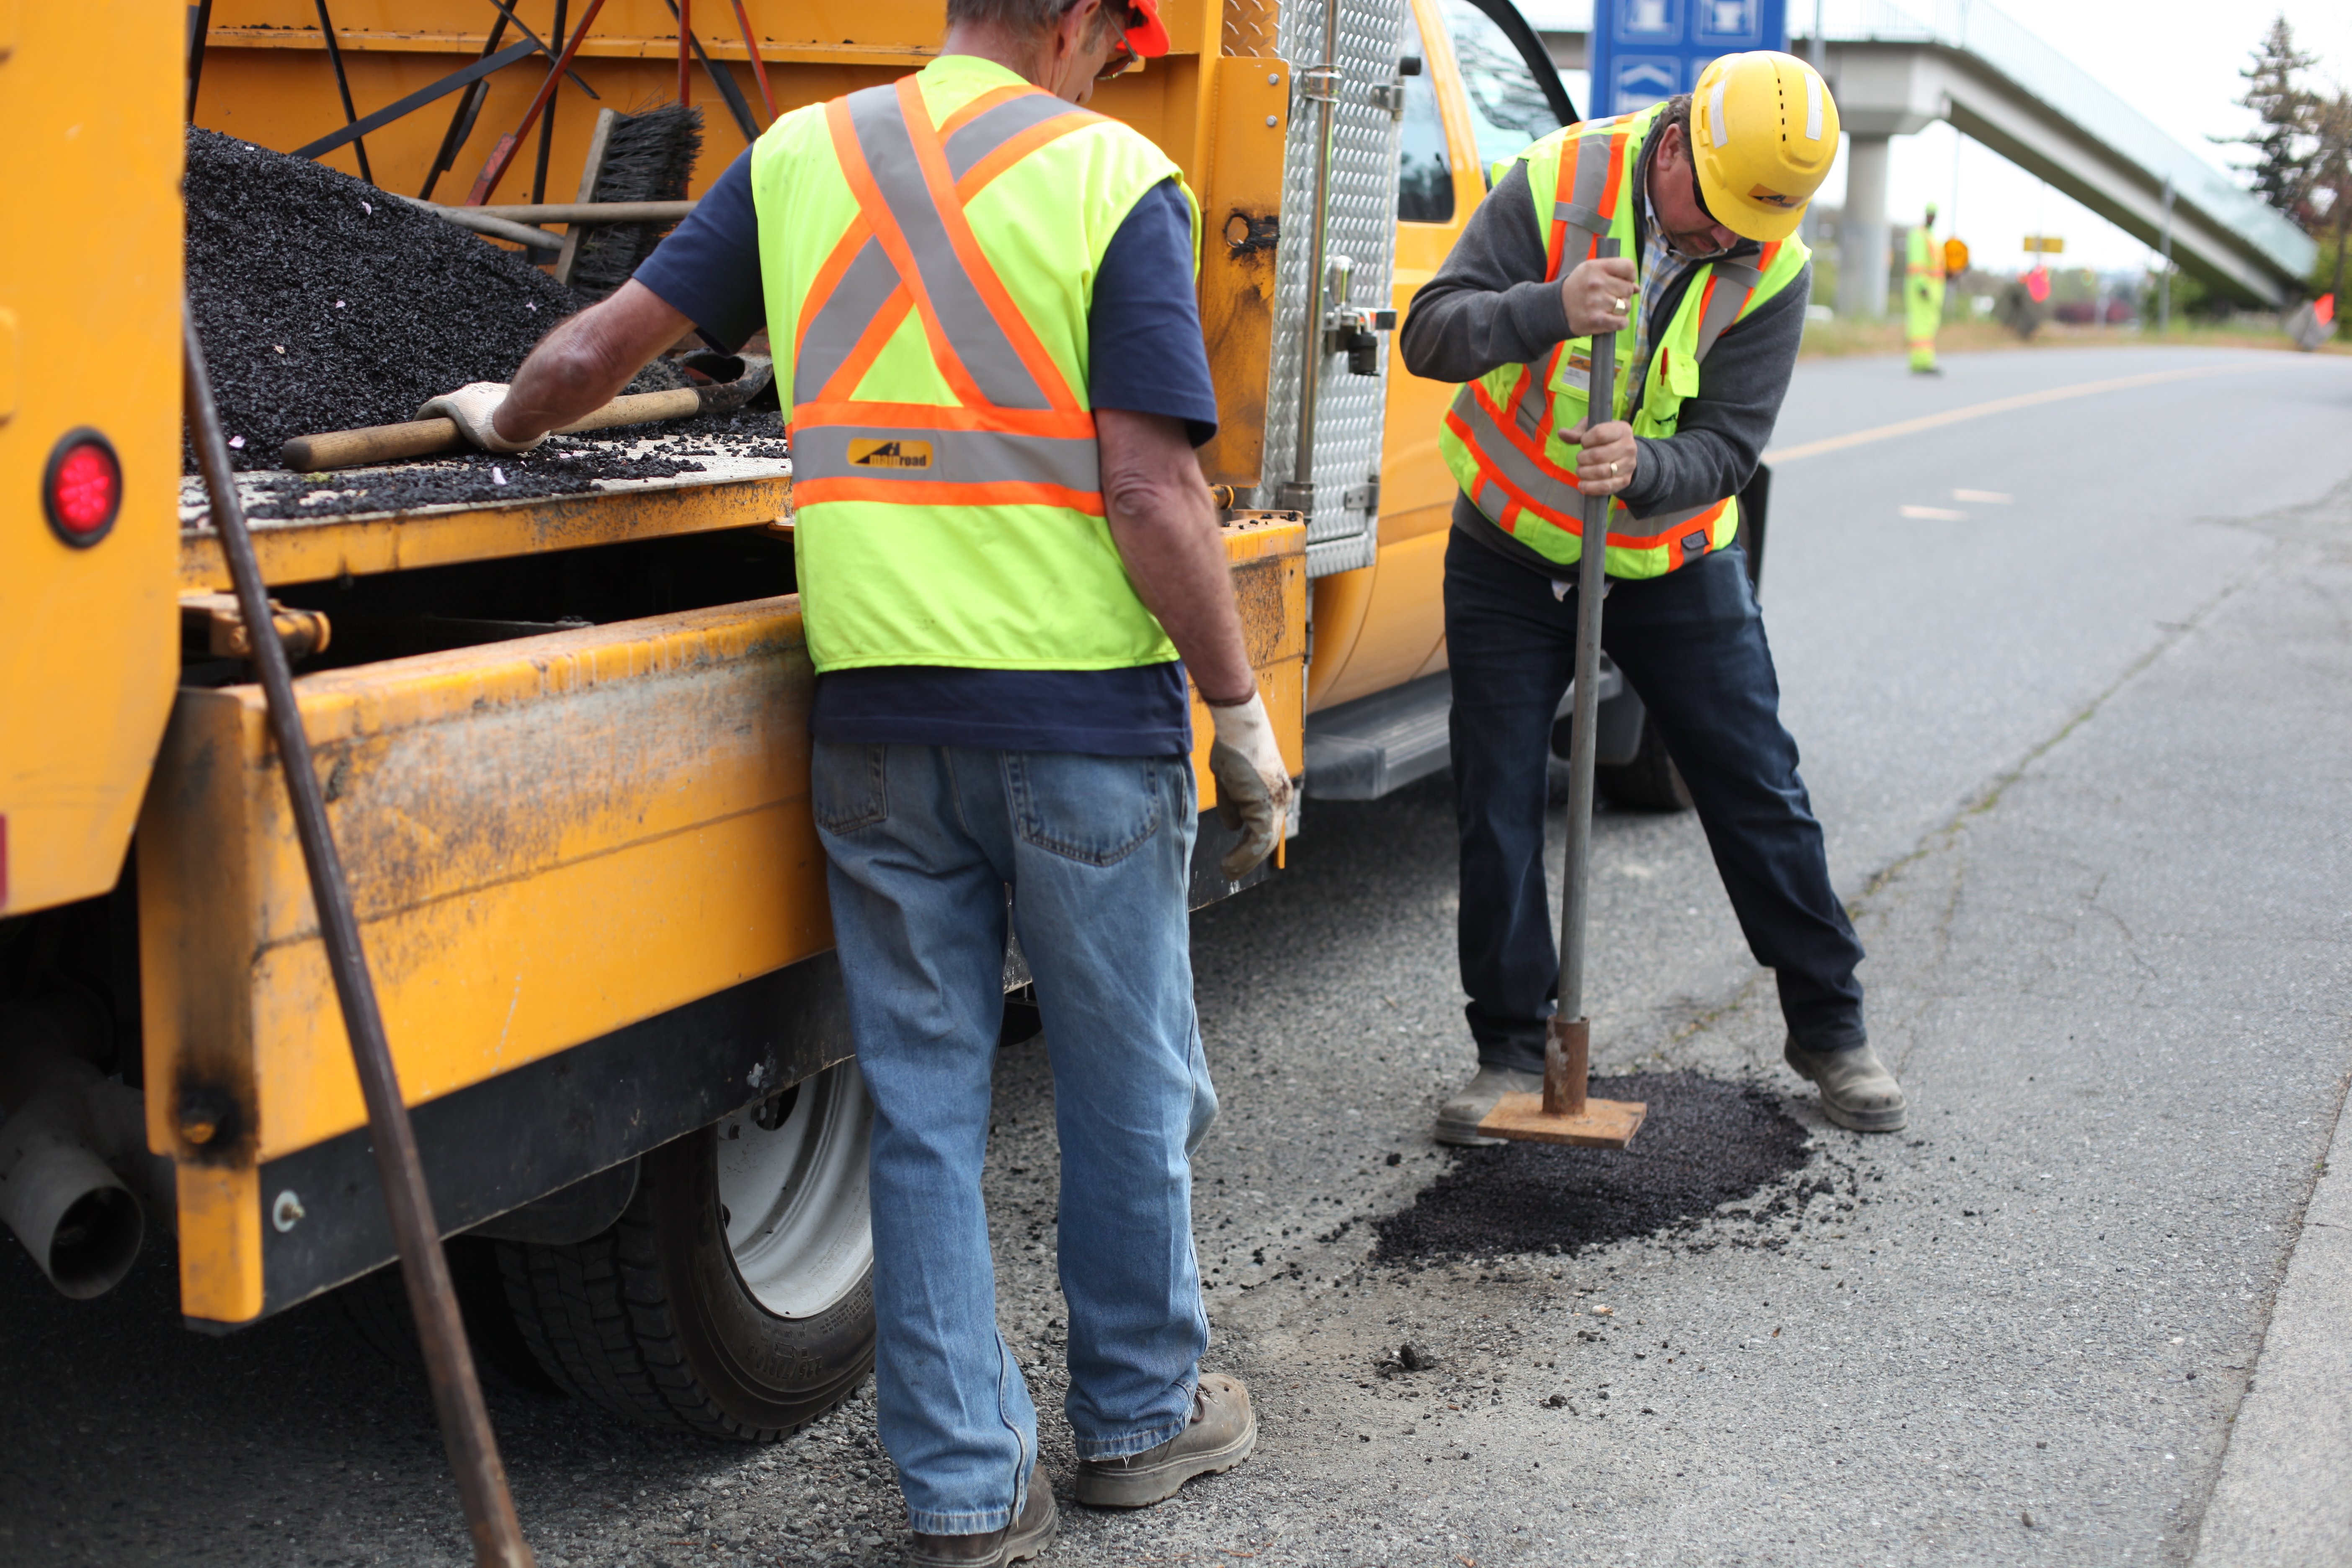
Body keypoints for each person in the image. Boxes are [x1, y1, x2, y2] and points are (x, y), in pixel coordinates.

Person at [415, 0, 1283, 1561]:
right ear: (1077, 23)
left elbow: (599, 348)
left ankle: (963, 1489)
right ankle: (1141, 1420)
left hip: (880, 724)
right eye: (1117, 39)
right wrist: (1242, 712)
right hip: (1082, 729)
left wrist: (504, 416)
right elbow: (1152, 488)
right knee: (1124, 1088)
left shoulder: (805, 156)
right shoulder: (1109, 178)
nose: (1115, 67)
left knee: (924, 1115)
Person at [1397, 51, 1909, 1146]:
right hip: (1509, 545)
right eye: (1712, 213)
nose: (1720, 240)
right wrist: (1546, 308)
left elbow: (1730, 447)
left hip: (1670, 556)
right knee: (1495, 796)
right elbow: (1432, 331)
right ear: (1674, 145)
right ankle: (1505, 1050)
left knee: (1755, 782)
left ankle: (1831, 1025)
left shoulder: (1772, 263)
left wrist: (1647, 470)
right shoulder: (1557, 183)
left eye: (1746, 227)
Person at [1908, 203, 1946, 374]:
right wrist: (1921, 285)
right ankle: (1921, 362)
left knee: (1929, 327)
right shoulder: (1919, 235)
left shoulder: (1932, 237)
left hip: (1933, 291)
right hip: (1922, 289)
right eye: (1931, 214)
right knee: (1921, 327)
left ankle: (1925, 360)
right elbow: (1917, 263)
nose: (1933, 218)